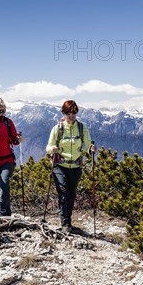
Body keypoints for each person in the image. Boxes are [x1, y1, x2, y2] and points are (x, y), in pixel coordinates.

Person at [46, 100, 96, 233]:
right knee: (63, 192)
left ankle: (68, 221)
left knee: (72, 194)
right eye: (69, 113)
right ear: (64, 113)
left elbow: (87, 143)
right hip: (60, 166)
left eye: (74, 112)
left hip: (75, 166)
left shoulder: (81, 127)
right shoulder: (58, 128)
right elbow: (48, 147)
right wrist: (53, 149)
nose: (71, 115)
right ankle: (65, 223)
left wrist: (91, 148)